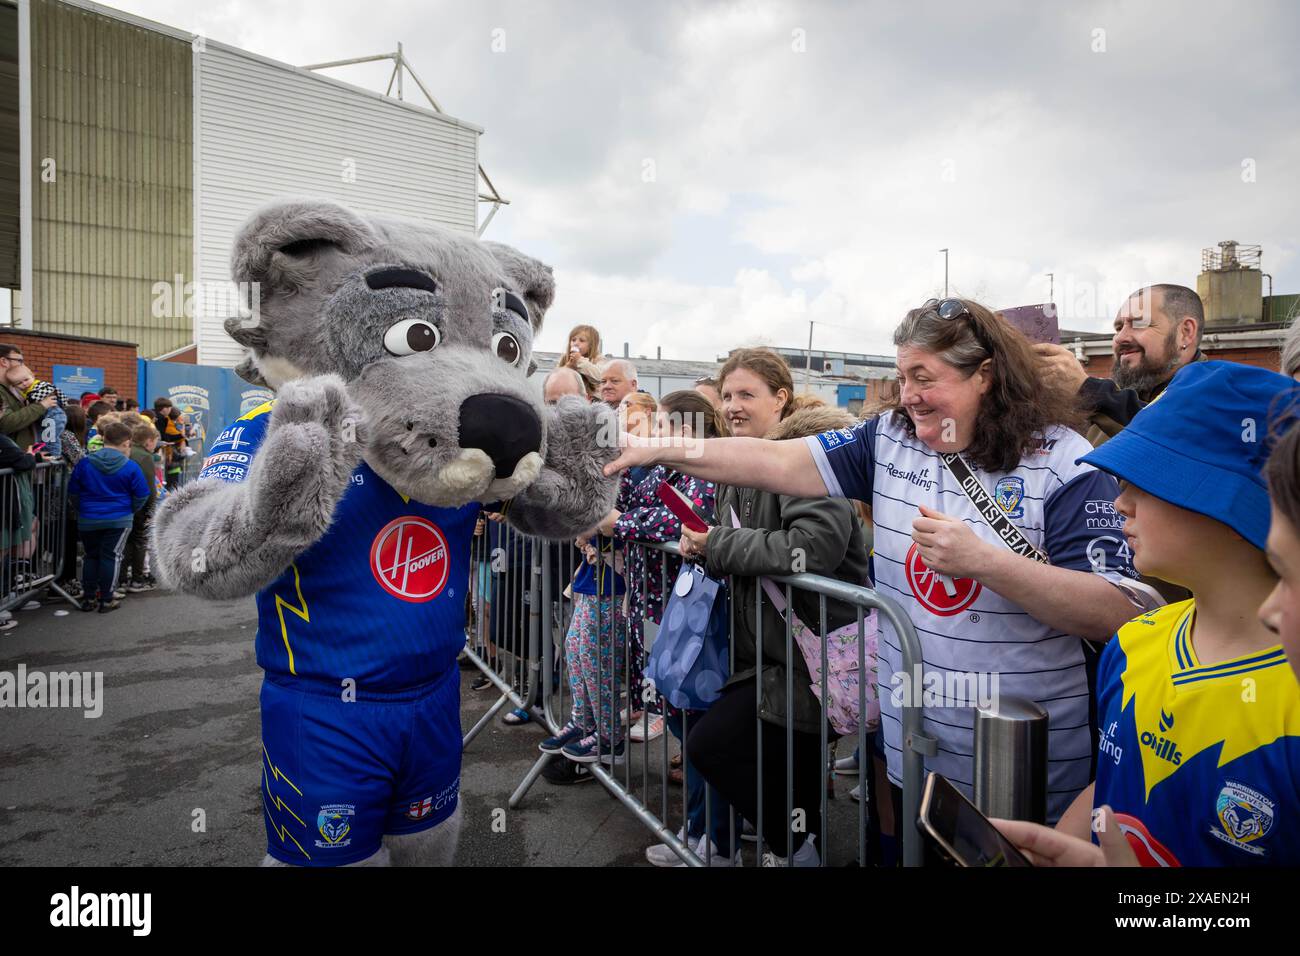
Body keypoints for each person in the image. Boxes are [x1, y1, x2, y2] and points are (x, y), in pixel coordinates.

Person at [608, 301, 1158, 834]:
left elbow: (1117, 610)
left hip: (1026, 759)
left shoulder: (1063, 461)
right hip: (913, 744)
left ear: (984, 374)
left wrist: (988, 564)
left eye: (925, 377)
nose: (909, 396)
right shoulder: (888, 440)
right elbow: (776, 459)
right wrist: (660, 448)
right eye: (902, 377)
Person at [998, 362, 1300, 867]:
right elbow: (1113, 785)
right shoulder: (1134, 641)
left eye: (1149, 481)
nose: (1120, 503)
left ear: (1228, 505)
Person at [671, 347, 872, 867]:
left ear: (780, 398)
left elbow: (814, 547)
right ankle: (796, 851)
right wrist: (710, 550)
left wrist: (717, 545)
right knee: (790, 775)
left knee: (719, 746)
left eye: (748, 394)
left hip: (811, 655)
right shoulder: (736, 465)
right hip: (769, 654)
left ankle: (798, 852)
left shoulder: (806, 457)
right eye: (729, 395)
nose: (734, 406)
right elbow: (749, 550)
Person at [597, 389, 735, 864]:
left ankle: (710, 839)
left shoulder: (706, 471)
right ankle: (700, 832)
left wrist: (620, 522)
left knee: (696, 726)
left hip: (693, 620)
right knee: (682, 721)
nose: (661, 433)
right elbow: (626, 497)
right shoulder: (661, 467)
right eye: (661, 424)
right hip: (659, 611)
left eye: (671, 425)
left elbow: (675, 524)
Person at [1035, 284, 1206, 446]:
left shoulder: (1218, 395)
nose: (1120, 338)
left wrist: (1087, 388)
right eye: (1118, 328)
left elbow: (1171, 435)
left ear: (1185, 332)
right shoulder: (1103, 412)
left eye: (1139, 323)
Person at [67, 420, 149, 613]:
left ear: (104, 439)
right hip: (119, 518)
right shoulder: (131, 467)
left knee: (91, 556)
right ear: (127, 442)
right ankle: (106, 598)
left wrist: (83, 509)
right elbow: (142, 495)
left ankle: (89, 597)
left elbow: (73, 492)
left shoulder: (85, 463)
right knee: (111, 556)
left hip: (88, 517)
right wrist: (130, 509)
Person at [54, 404, 89, 599]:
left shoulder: (69, 436)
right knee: (65, 539)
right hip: (65, 495)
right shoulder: (67, 436)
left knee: (67, 538)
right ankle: (64, 580)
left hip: (68, 492)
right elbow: (80, 459)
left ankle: (66, 578)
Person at [123, 422, 160, 592]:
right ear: (148, 441)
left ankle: (122, 578)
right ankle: (137, 579)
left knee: (126, 541)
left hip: (124, 503)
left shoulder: (128, 451)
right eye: (154, 441)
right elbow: (149, 488)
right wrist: (151, 510)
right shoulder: (144, 457)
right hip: (138, 504)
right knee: (139, 541)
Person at [0, 344, 57, 451]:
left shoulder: (14, 389)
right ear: (4, 361)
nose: (23, 365)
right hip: (11, 462)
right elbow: (5, 423)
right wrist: (41, 405)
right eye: (19, 361)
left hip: (23, 458)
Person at [6, 363, 68, 451]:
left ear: (32, 375)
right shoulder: (26, 392)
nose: (24, 384)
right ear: (14, 386)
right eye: (19, 383)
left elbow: (51, 391)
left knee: (50, 441)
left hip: (54, 417)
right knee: (43, 440)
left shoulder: (40, 385)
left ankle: (54, 458)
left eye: (26, 379)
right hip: (45, 418)